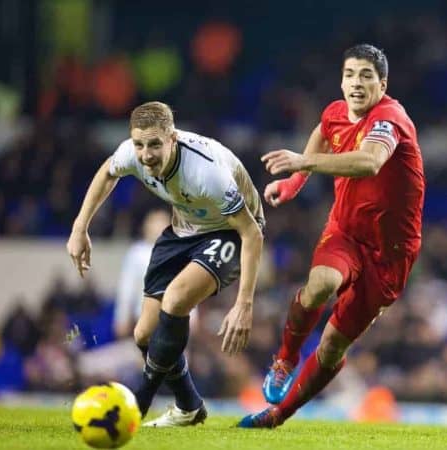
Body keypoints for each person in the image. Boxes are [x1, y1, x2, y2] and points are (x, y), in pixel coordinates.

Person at [238, 43, 425, 428]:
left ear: (382, 83)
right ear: (341, 81)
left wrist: (302, 162)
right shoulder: (335, 112)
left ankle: (278, 415)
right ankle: (285, 358)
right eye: (350, 74)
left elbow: (371, 161)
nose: (356, 83)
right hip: (346, 230)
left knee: (333, 344)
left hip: (390, 254)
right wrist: (293, 184)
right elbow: (323, 132)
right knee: (321, 284)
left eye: (366, 76)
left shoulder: (391, 119)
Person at [67, 101, 265, 427]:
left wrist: (244, 304)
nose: (146, 155)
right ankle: (189, 405)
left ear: (172, 137)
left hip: (230, 232)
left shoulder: (208, 171)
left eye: (155, 144)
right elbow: (107, 172)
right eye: (140, 144)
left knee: (175, 301)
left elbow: (251, 234)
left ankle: (136, 403)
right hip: (182, 230)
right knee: (144, 334)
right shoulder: (132, 153)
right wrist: (80, 227)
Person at [113, 209, 171, 339]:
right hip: (144, 316)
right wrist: (122, 317)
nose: (159, 229)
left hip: (174, 318)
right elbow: (126, 288)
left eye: (163, 224)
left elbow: (186, 285)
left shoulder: (178, 252)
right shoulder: (137, 253)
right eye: (155, 224)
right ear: (147, 227)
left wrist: (192, 314)